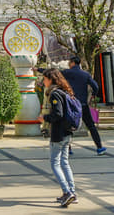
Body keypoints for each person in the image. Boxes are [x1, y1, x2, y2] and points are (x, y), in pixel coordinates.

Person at [42, 68, 78, 207]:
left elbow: (58, 114)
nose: (43, 81)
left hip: (59, 133)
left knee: (55, 163)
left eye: (44, 79)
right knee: (64, 162)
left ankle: (67, 192)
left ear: (51, 79)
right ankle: (71, 193)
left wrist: (44, 117)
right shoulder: (65, 91)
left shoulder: (55, 94)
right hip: (68, 133)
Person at [62, 56, 106, 155]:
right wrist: (93, 95)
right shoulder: (85, 74)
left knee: (67, 126)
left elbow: (54, 74)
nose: (69, 64)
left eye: (69, 62)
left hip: (71, 103)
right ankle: (99, 147)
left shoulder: (67, 72)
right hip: (83, 104)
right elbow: (95, 86)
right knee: (91, 125)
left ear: (72, 62)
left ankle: (68, 149)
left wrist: (39, 69)